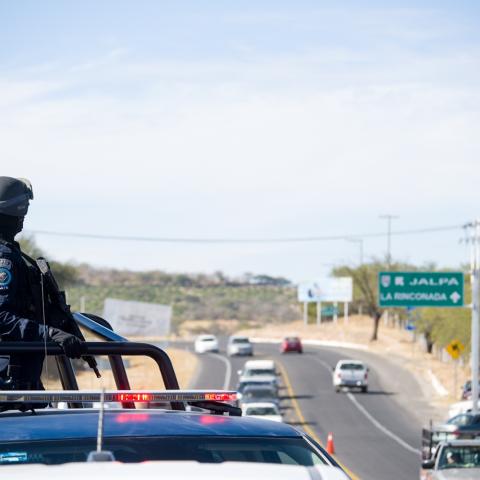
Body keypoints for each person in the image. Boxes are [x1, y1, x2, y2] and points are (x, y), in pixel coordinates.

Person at [0, 176, 86, 390]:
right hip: (9, 383)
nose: (23, 219)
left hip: (20, 380)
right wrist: (48, 333)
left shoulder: (12, 254)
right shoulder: (5, 259)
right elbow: (1, 317)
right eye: (21, 211)